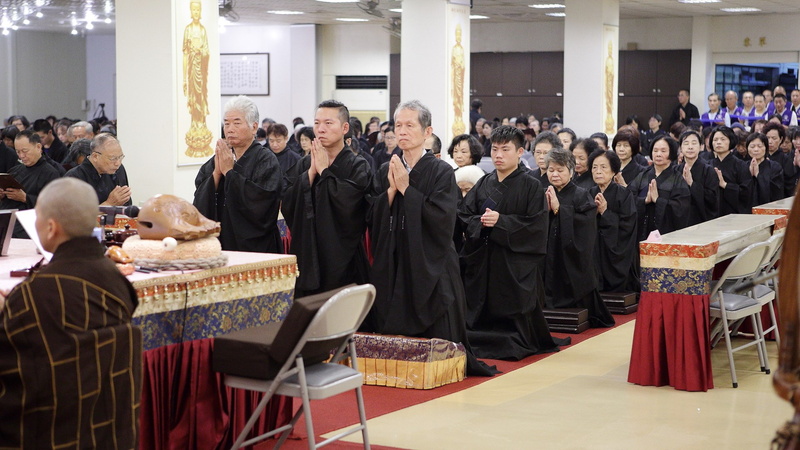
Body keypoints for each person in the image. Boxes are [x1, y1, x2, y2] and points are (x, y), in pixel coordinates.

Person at [0, 177, 141, 449]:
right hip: (108, 433)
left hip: (44, 433)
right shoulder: (117, 282)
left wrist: (10, 307)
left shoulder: (35, 294)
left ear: (51, 228)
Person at [366, 100, 494, 376]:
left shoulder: (441, 171)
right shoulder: (386, 167)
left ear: (427, 132)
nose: (402, 131)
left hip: (430, 261)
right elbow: (372, 215)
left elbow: (442, 219)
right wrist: (389, 193)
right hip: (396, 258)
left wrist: (406, 189)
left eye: (410, 125)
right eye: (398, 125)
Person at [458, 125, 565, 360]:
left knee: (511, 307)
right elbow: (464, 215)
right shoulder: (484, 183)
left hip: (513, 262)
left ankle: (515, 336)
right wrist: (482, 221)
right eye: (494, 149)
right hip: (484, 258)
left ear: (519, 152)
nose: (498, 155)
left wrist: (502, 222)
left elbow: (537, 226)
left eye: (505, 149)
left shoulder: (532, 185)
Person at [282, 100, 372, 297]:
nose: (320, 129)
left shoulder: (358, 165)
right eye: (317, 123)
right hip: (307, 252)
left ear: (344, 128)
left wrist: (324, 171)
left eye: (328, 123)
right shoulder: (305, 164)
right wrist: (311, 174)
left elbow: (352, 206)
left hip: (342, 256)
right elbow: (287, 202)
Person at [193, 95, 282, 252]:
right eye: (226, 123)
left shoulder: (266, 160)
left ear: (254, 127)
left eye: (236, 123)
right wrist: (217, 174)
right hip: (221, 243)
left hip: (254, 247)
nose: (230, 129)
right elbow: (199, 198)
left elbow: (262, 205)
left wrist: (229, 173)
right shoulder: (220, 158)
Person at [543, 147, 615, 328]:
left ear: (571, 171)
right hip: (548, 251)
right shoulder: (544, 192)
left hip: (572, 254)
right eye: (551, 170)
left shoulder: (581, 194)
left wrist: (560, 210)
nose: (555, 174)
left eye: (560, 170)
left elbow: (586, 224)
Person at [588, 150, 640, 293]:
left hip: (616, 250)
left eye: (603, 167)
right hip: (595, 248)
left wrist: (605, 212)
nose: (598, 171)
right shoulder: (588, 193)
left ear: (613, 171)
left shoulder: (624, 194)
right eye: (594, 167)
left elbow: (628, 225)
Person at [627, 135, 690, 240]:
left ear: (671, 153)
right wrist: (644, 201)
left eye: (663, 151)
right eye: (655, 150)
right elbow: (628, 198)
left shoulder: (677, 179)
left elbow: (682, 208)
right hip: (641, 232)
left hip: (667, 235)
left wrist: (659, 201)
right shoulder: (643, 175)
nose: (658, 154)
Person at [0, 130, 60, 237]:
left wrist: (25, 198)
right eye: (18, 152)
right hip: (7, 219)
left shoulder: (51, 173)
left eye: (25, 151)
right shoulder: (15, 171)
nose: (21, 156)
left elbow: (54, 206)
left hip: (28, 225)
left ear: (38, 147)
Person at [65, 133, 131, 206]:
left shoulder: (119, 169)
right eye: (113, 158)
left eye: (120, 157)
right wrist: (108, 204)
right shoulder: (74, 177)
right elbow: (74, 215)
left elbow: (127, 204)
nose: (118, 163)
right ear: (95, 156)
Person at [677, 130, 719, 226]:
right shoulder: (676, 170)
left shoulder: (709, 170)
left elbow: (712, 199)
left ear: (701, 147)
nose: (690, 147)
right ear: (680, 148)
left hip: (701, 221)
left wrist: (692, 184)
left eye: (694, 143)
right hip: (680, 221)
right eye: (686, 143)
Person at [710, 126, 752, 216]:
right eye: (715, 140)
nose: (718, 142)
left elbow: (746, 193)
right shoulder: (708, 165)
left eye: (723, 139)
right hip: (712, 215)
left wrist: (725, 185)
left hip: (734, 215)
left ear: (731, 141)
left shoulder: (740, 165)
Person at [745, 132, 783, 206]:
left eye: (760, 146)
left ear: (766, 148)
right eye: (752, 146)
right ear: (747, 148)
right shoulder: (743, 166)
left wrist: (758, 175)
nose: (756, 149)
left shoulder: (775, 167)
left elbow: (776, 192)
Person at [763, 122, 797, 198]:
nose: (770, 141)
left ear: (781, 139)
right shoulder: (761, 157)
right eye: (768, 138)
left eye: (774, 138)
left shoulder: (786, 159)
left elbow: (789, 184)